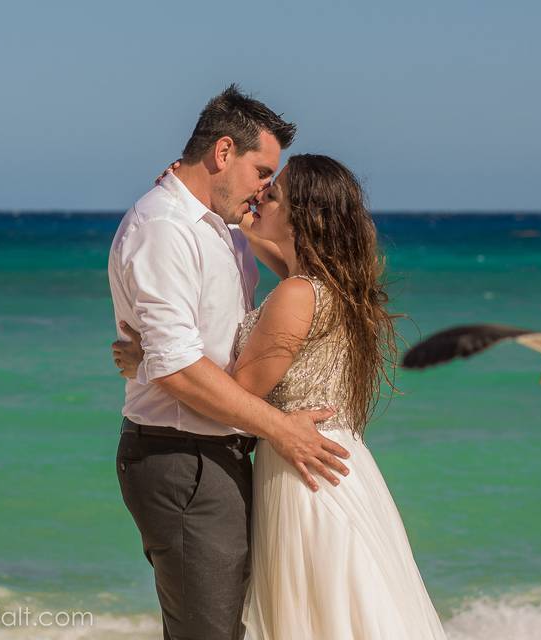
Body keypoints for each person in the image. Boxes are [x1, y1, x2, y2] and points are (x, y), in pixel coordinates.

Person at [114, 154, 448, 639]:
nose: (260, 195)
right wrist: (204, 200)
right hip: (334, 464)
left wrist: (152, 361)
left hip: (302, 475)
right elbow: (278, 250)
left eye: (273, 194)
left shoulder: (296, 293)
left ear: (304, 217)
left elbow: (242, 394)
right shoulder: (332, 281)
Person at [108, 86, 351, 640]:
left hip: (226, 454)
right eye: (262, 170)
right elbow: (176, 367)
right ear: (223, 153)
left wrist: (151, 361)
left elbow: (295, 259)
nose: (265, 188)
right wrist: (282, 430)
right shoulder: (165, 229)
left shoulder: (220, 224)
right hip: (183, 456)